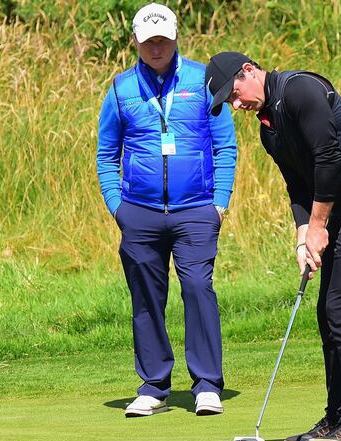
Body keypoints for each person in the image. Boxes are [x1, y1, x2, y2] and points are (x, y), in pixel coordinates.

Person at [205, 52, 341, 441]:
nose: (235, 105)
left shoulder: (301, 89)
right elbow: (298, 185)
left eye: (233, 94)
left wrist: (320, 225)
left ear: (248, 71)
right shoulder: (269, 130)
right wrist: (304, 234)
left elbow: (328, 159)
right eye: (228, 102)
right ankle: (337, 416)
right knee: (328, 311)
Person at [96, 4, 237, 418]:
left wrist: (220, 203)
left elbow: (224, 144)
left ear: (176, 38)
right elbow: (106, 153)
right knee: (145, 296)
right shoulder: (121, 88)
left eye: (163, 39)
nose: (156, 48)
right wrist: (117, 207)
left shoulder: (202, 79)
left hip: (196, 209)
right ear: (136, 42)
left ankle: (207, 384)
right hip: (138, 211)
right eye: (148, 41)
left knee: (197, 287)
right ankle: (154, 385)